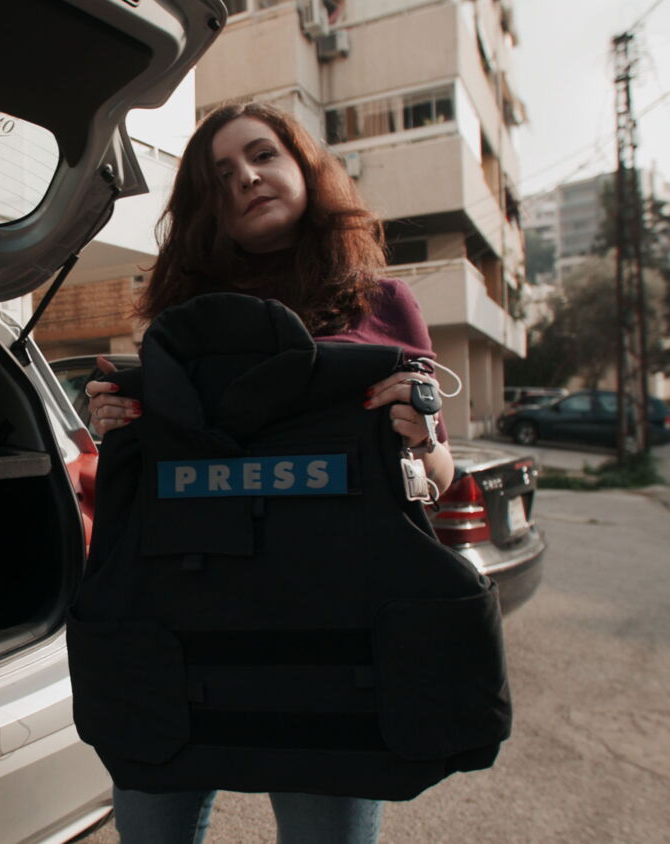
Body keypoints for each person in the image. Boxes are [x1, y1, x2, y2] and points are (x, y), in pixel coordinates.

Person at [82, 101, 455, 844]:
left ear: (302, 168)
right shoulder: (177, 321)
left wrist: (418, 435)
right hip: (186, 629)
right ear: (202, 204)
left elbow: (435, 478)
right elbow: (151, 483)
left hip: (333, 639)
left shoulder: (383, 305)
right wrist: (116, 427)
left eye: (262, 155)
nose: (247, 178)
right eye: (221, 175)